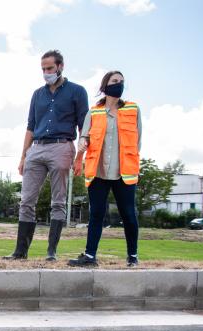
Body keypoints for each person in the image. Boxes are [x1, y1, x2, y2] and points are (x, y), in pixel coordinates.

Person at [4, 50, 88, 261]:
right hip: (37, 148)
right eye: (43, 69)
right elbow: (30, 127)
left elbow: (84, 127)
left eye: (49, 68)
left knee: (58, 201)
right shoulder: (37, 94)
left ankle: (51, 252)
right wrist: (23, 156)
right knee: (26, 201)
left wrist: (80, 157)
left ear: (61, 66)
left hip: (62, 146)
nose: (46, 72)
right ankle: (20, 252)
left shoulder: (77, 91)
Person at [69, 70, 142, 267]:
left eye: (122, 82)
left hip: (123, 172)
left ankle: (133, 256)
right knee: (96, 214)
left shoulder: (133, 109)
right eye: (115, 81)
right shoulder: (94, 112)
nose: (119, 84)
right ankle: (90, 256)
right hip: (98, 171)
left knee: (128, 214)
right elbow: (84, 135)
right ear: (105, 86)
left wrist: (133, 163)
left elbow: (138, 140)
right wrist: (83, 143)